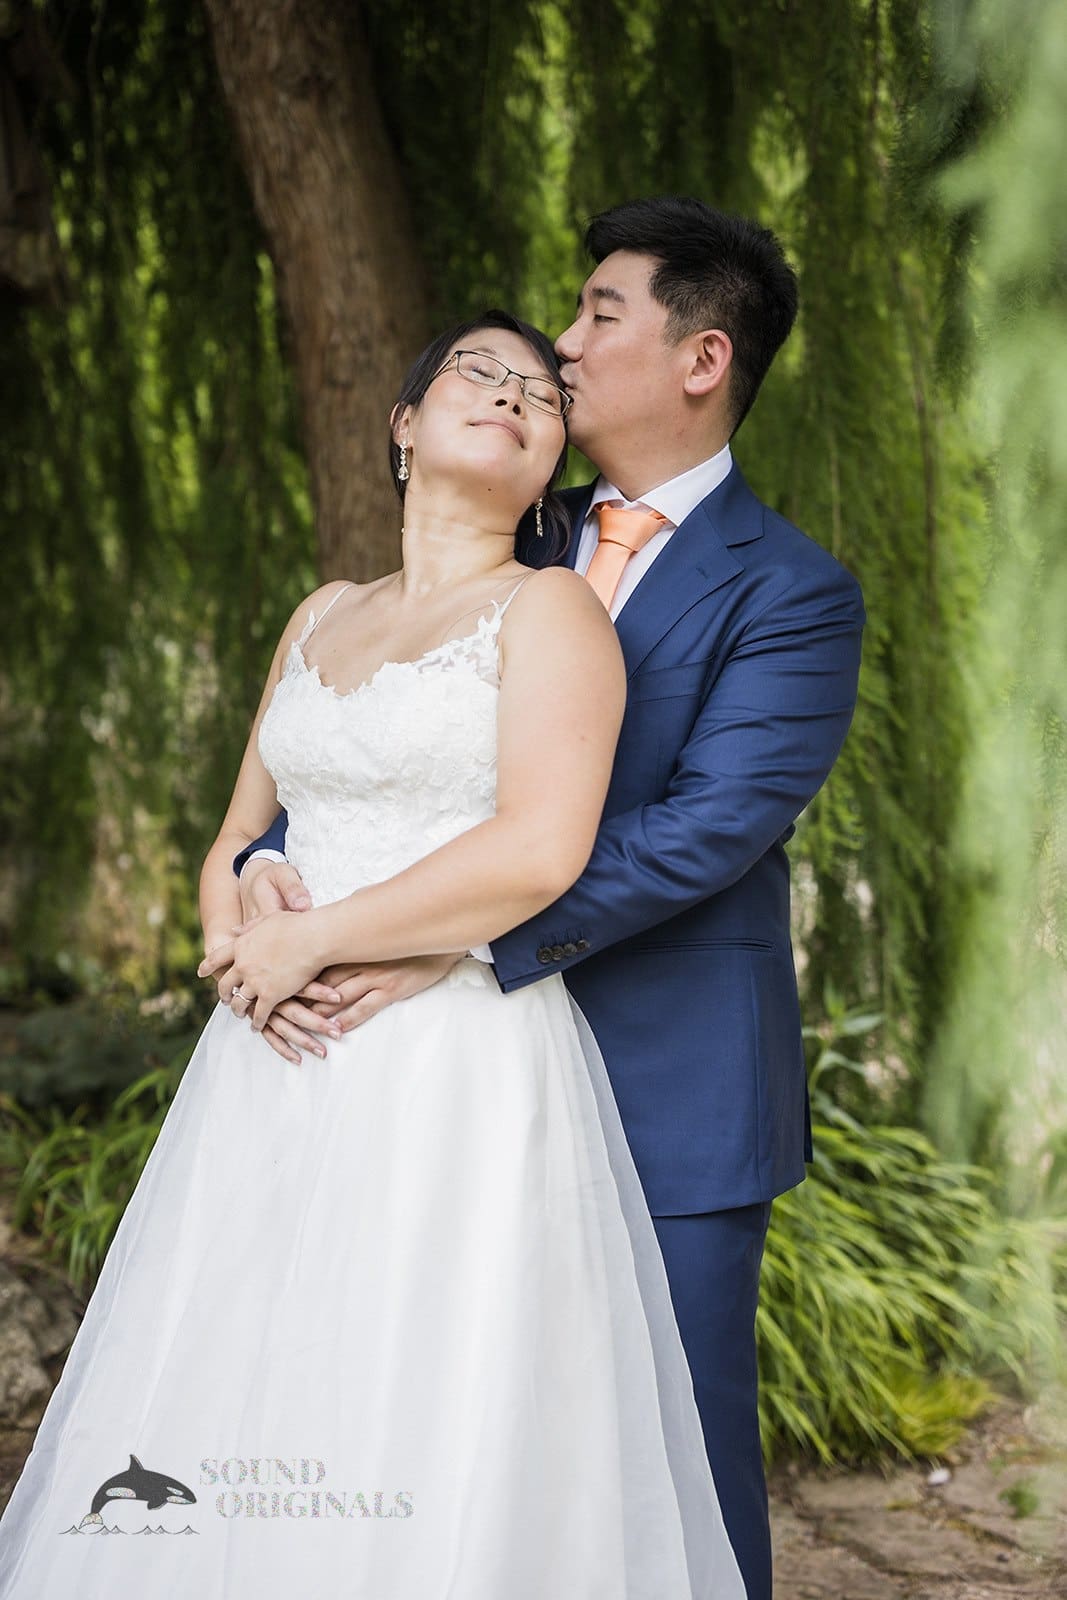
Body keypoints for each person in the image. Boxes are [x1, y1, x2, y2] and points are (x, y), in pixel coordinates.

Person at [0, 310, 746, 1599]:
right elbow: (239, 834)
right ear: (404, 423)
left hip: (449, 1056)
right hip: (268, 1063)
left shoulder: (553, 611)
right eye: (478, 373)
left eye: (540, 394)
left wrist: (316, 938)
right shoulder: (322, 614)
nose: (511, 395)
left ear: (550, 462)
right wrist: (238, 928)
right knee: (244, 1361)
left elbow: (540, 851)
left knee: (415, 1372)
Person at [233, 197, 867, 1600]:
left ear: (702, 358)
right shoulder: (514, 524)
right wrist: (258, 870)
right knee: (455, 1431)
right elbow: (360, 735)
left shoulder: (794, 593)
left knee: (673, 1462)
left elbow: (705, 831)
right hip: (431, 1082)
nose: (561, 348)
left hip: (667, 1085)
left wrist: (456, 943)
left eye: (596, 314)